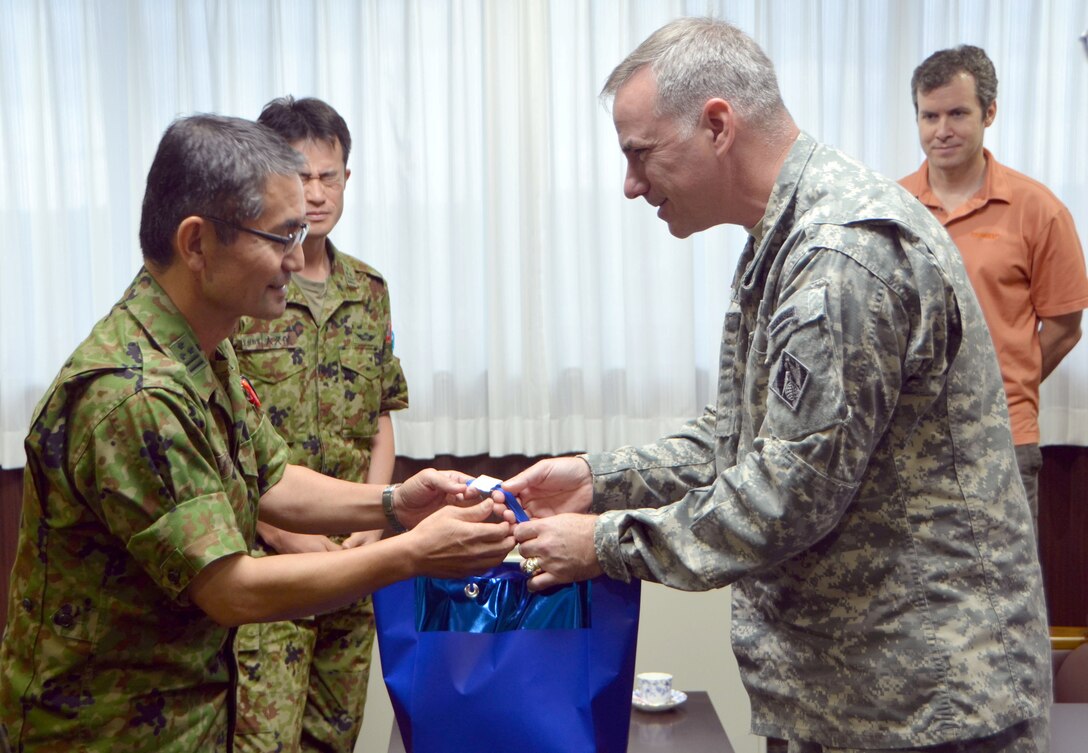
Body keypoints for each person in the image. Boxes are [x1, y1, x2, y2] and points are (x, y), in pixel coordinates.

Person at [502, 17, 1051, 753]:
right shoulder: (786, 240)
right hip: (853, 695)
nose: (631, 186)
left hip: (926, 704)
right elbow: (741, 439)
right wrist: (596, 479)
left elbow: (785, 495)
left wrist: (604, 543)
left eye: (640, 154)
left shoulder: (842, 256)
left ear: (718, 125)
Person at [0, 114, 514, 753]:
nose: (298, 260)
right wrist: (410, 553)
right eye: (280, 237)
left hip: (187, 714)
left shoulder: (205, 349)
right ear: (196, 244)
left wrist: (394, 503)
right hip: (107, 729)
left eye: (300, 232)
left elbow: (273, 479)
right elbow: (231, 589)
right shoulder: (134, 394)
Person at [228, 96, 405, 753]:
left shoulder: (370, 288)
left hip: (352, 565)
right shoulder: (246, 289)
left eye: (329, 176)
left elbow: (382, 413)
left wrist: (372, 524)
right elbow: (225, 436)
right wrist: (283, 533)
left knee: (335, 739)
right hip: (265, 564)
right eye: (301, 177)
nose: (316, 192)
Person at [899, 45, 1088, 533]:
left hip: (1004, 436)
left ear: (989, 112)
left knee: (1005, 597)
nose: (942, 130)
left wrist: (1003, 386)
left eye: (958, 113)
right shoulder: (893, 207)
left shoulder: (1039, 210)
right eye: (930, 115)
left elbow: (1065, 327)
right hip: (911, 441)